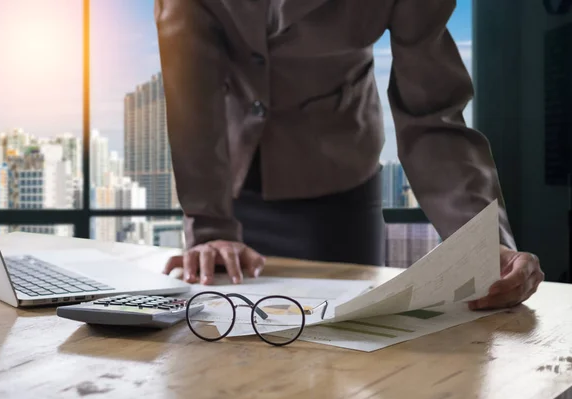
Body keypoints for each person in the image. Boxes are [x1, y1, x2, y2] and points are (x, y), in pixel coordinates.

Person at [154, 0, 544, 310]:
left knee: (348, 345)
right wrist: (209, 228)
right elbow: (191, 101)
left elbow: (432, 114)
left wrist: (483, 245)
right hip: (227, 177)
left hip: (340, 176)